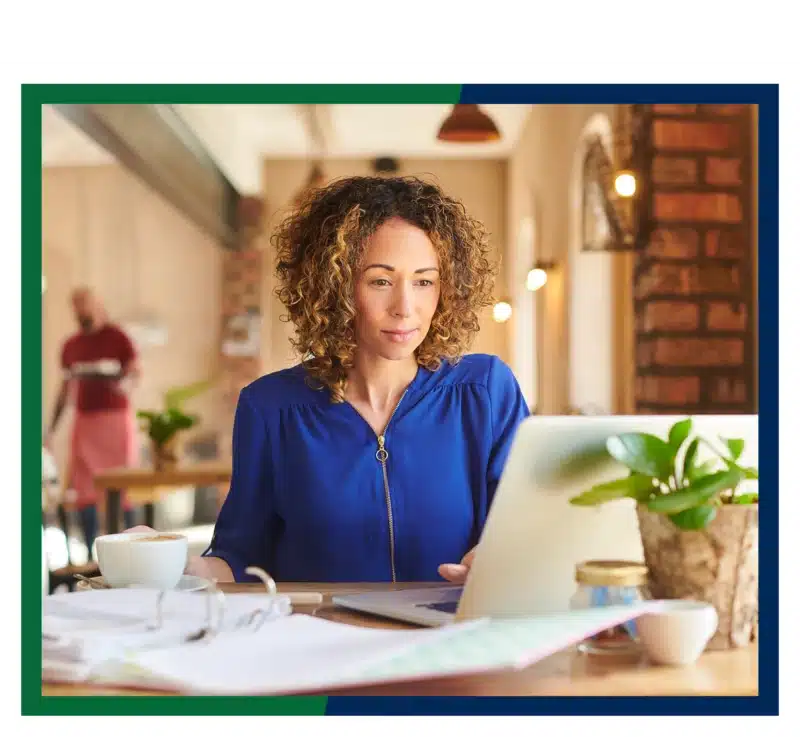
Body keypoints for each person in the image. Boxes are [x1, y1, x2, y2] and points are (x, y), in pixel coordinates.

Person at [135, 175, 530, 584]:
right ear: (335, 286)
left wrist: (501, 557)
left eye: (424, 281)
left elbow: (530, 524)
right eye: (380, 281)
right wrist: (180, 565)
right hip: (323, 641)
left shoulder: (485, 392)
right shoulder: (271, 409)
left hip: (457, 640)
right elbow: (241, 556)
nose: (405, 307)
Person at [45, 287, 140, 556]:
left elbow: (134, 372)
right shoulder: (70, 346)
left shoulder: (117, 337)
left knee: (121, 489)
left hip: (115, 422)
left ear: (97, 304)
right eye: (75, 305)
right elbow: (64, 389)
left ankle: (130, 552)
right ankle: (89, 555)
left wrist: (126, 385)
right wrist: (50, 429)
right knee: (84, 488)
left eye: (84, 304)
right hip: (84, 422)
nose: (80, 310)